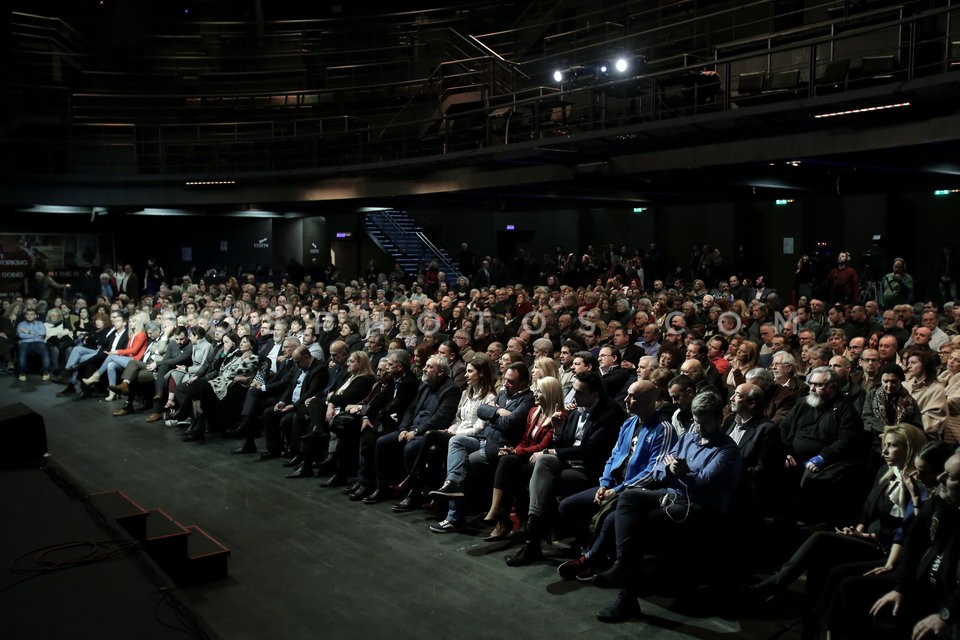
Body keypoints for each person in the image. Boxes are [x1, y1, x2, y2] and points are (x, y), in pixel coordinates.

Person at [749, 423, 928, 639]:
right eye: (885, 445)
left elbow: (908, 532)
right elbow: (867, 511)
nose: (885, 451)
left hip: (888, 548)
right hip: (870, 538)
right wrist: (856, 530)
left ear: (909, 448)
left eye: (892, 446)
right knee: (820, 562)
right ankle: (810, 627)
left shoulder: (918, 486)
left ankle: (773, 586)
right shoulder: (886, 472)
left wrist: (867, 535)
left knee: (822, 541)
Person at [590, 390, 742, 623]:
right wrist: (671, 471)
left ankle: (625, 595)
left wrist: (680, 473)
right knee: (629, 497)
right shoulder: (689, 438)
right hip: (674, 495)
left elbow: (702, 483)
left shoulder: (727, 450)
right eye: (696, 422)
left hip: (701, 507)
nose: (699, 428)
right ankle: (622, 566)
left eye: (705, 423)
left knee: (636, 524)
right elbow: (660, 468)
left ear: (719, 419)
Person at [555, 379, 675, 578]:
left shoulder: (663, 429)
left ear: (648, 403)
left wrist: (617, 490)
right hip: (614, 486)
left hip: (637, 493)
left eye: (632, 397)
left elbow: (653, 472)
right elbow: (614, 457)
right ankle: (592, 548)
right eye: (627, 394)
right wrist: (605, 483)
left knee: (610, 519)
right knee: (567, 506)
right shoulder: (629, 423)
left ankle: (591, 559)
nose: (626, 400)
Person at [505, 371, 626, 566]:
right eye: (573, 390)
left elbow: (589, 450)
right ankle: (533, 531)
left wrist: (552, 451)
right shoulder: (576, 409)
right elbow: (564, 442)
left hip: (591, 469)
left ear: (594, 394)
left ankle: (532, 534)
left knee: (543, 470)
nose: (573, 396)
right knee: (527, 469)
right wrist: (559, 429)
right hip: (570, 462)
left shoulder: (609, 413)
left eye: (579, 392)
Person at [379, 353, 497, 508]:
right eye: (466, 371)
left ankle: (411, 479)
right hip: (454, 433)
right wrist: (451, 429)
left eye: (470, 371)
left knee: (429, 436)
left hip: (471, 438)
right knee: (388, 443)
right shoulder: (465, 394)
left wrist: (454, 433)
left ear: (481, 374)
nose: (466, 375)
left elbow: (479, 428)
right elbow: (457, 419)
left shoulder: (489, 397)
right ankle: (413, 489)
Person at [429, 362, 535, 532]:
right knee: (456, 441)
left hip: (497, 446)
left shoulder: (528, 400)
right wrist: (498, 412)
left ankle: (454, 518)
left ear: (523, 383)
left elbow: (510, 424)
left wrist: (493, 413)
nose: (506, 383)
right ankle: (451, 484)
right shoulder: (502, 393)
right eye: (505, 379)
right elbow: (481, 410)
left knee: (460, 465)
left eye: (510, 381)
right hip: (482, 439)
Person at [869, 451, 960, 639]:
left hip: (949, 603)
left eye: (949, 476)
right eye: (942, 471)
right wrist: (900, 588)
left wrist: (947, 615)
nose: (939, 478)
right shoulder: (941, 500)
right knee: (880, 612)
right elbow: (913, 543)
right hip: (927, 587)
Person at [481, 376, 565, 541]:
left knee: (512, 468)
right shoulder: (534, 412)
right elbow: (526, 440)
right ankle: (501, 514)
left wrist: (517, 453)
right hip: (527, 454)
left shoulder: (560, 415)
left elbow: (542, 446)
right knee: (505, 460)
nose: (535, 394)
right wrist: (513, 450)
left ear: (549, 393)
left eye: (539, 391)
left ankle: (502, 517)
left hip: (542, 460)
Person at [902, 348, 948, 439]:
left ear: (924, 365)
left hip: (924, 437)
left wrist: (908, 423)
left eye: (913, 363)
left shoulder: (937, 389)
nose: (909, 366)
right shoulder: (904, 386)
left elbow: (934, 420)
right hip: (903, 435)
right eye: (908, 363)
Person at [15, 307, 52, 382]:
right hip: (24, 342)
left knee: (45, 351)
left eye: (32, 314)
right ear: (25, 316)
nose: (29, 316)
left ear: (35, 316)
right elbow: (21, 335)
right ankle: (22, 373)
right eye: (27, 314)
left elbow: (43, 333)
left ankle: (46, 372)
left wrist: (29, 332)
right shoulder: (21, 324)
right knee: (22, 352)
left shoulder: (40, 323)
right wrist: (35, 334)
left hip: (38, 342)